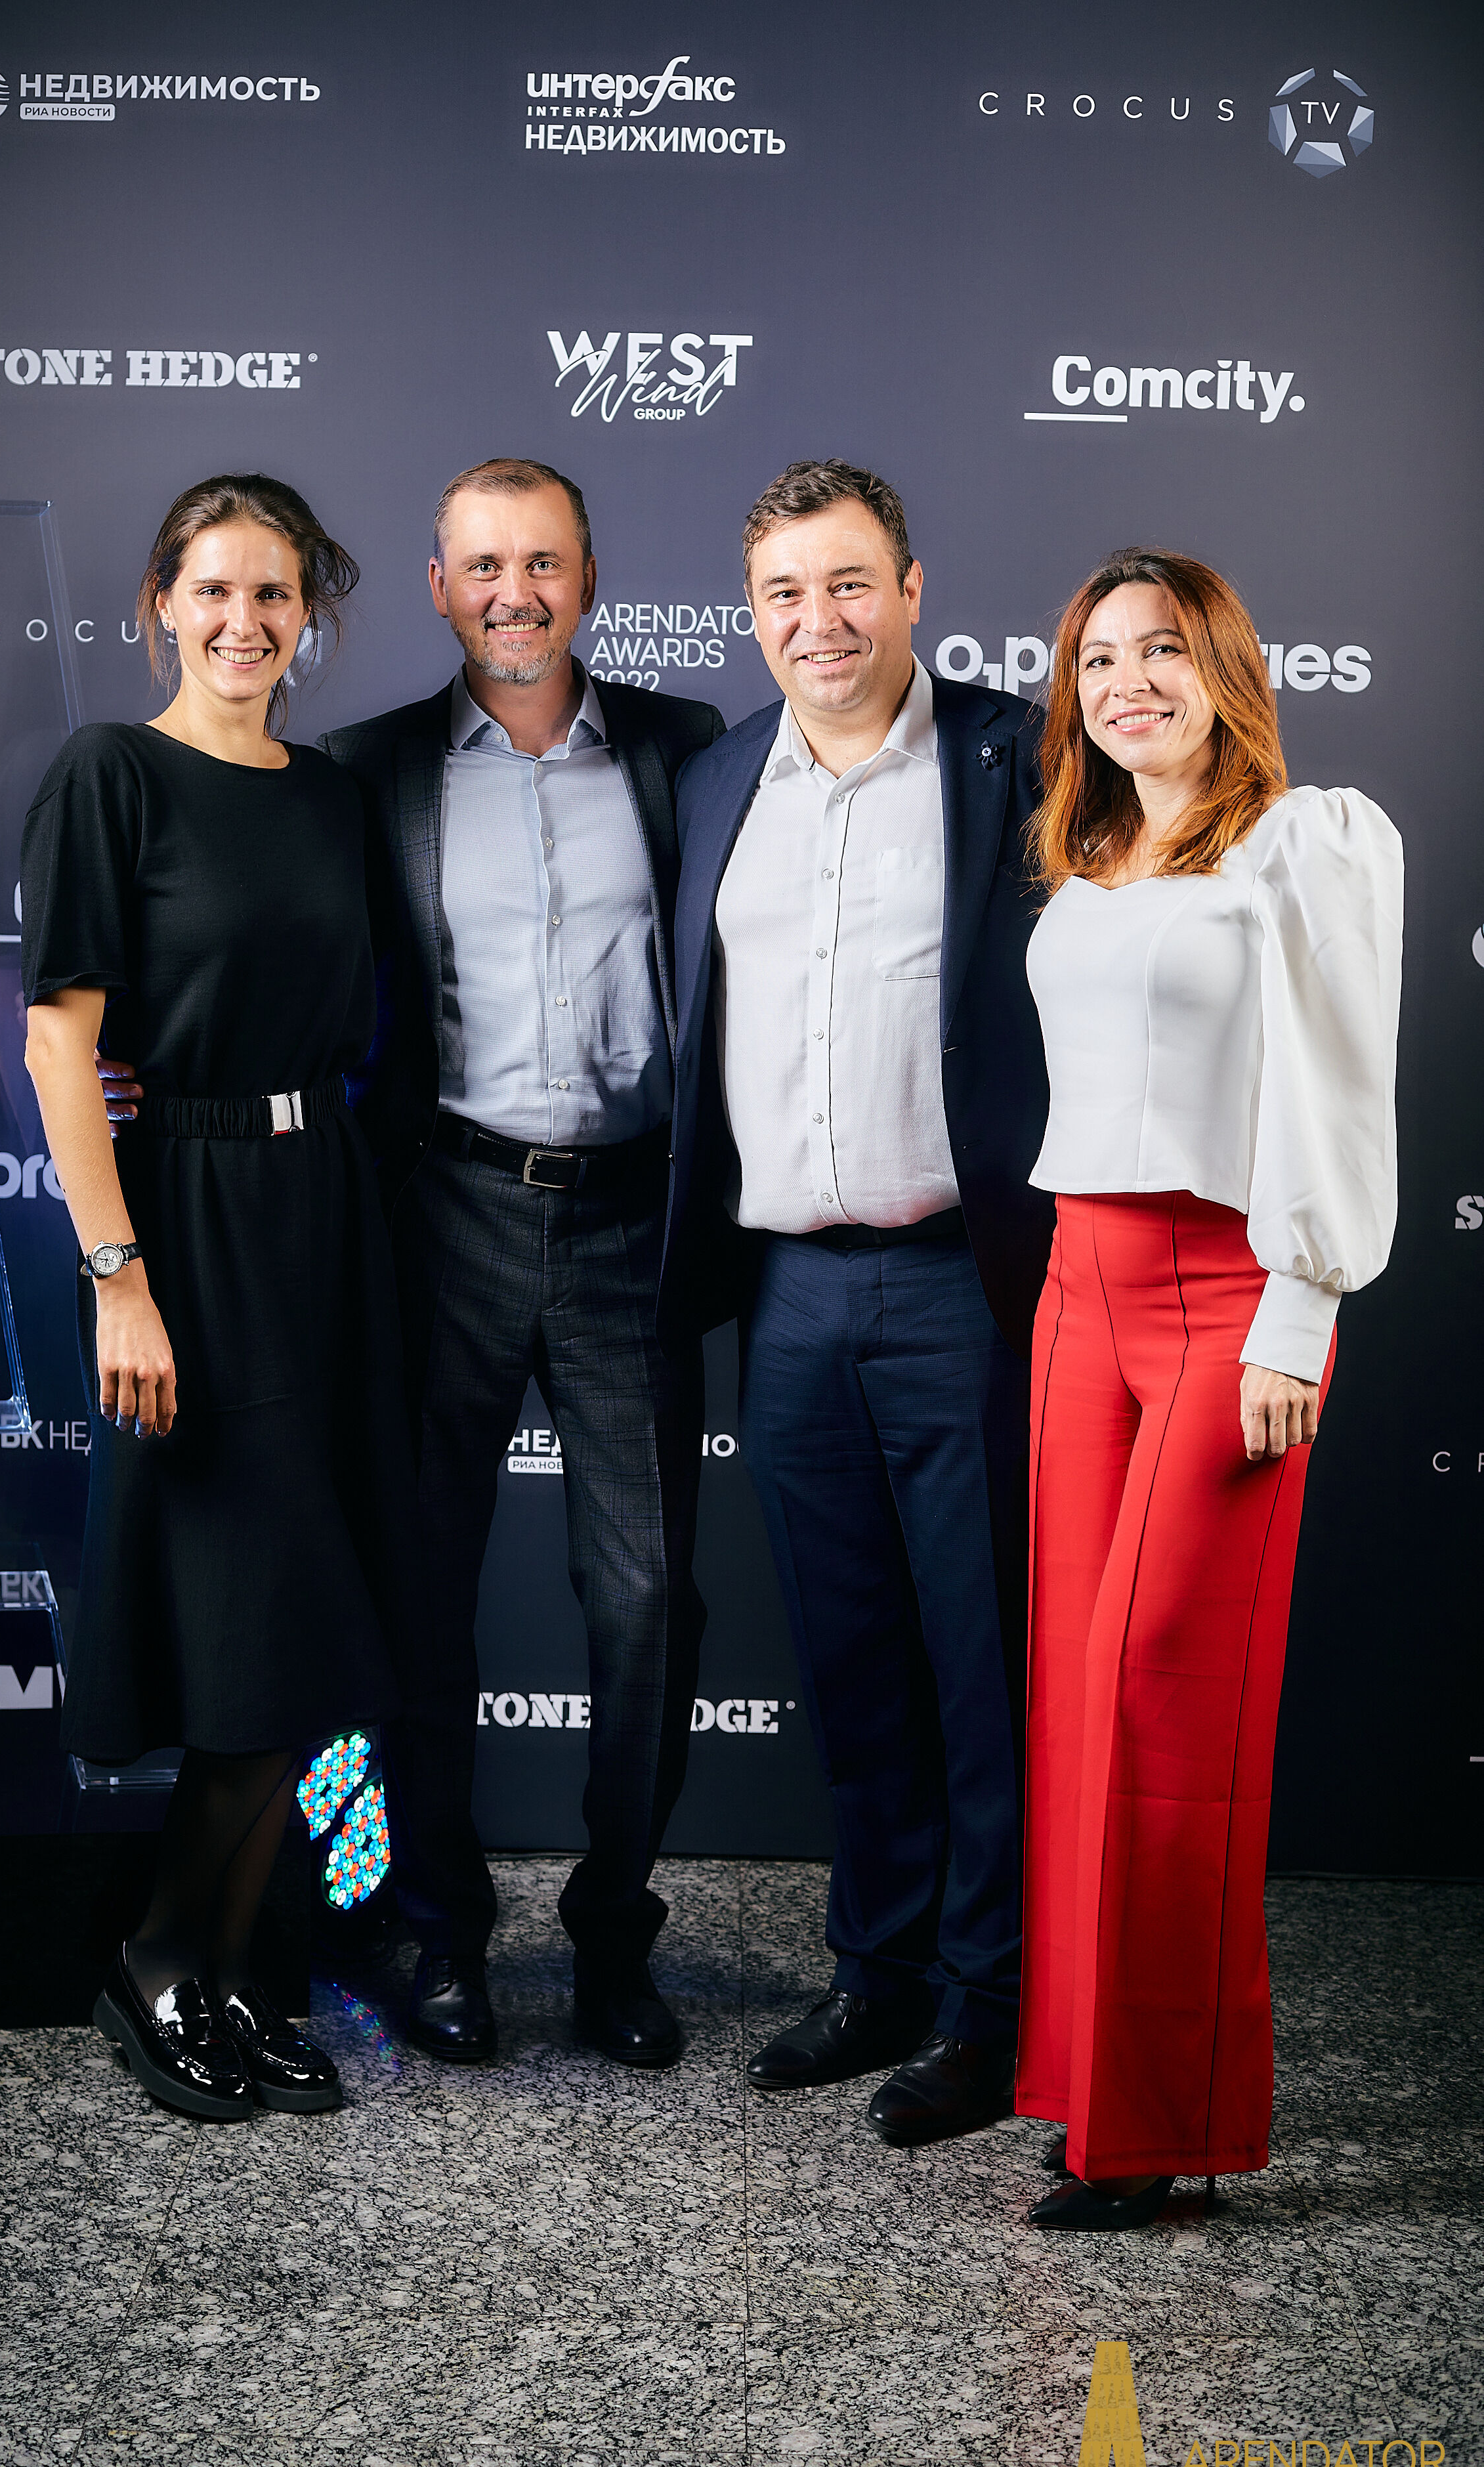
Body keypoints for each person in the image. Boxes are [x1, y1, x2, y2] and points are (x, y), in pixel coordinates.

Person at [660, 460, 1055, 2145]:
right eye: (781, 594)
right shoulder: (715, 776)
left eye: (844, 584)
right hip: (789, 1293)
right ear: (750, 614)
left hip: (963, 1280)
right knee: (849, 1656)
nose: (814, 622)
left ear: (908, 587)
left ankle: (988, 2006)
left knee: (983, 1661)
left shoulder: (1019, 753)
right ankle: (876, 1969)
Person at [317, 459, 723, 2069]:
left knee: (646, 1602)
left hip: (630, 1219)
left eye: (541, 561)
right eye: (483, 565)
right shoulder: (369, 771)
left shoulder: (688, 751)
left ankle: (615, 1934)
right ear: (438, 585)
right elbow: (282, 962)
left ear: (588, 576)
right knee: (418, 1596)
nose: (513, 592)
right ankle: (435, 1928)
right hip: (448, 1215)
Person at [22, 473, 416, 2122]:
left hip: (325, 1216)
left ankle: (241, 1968)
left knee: (313, 1633)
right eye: (212, 590)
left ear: (307, 615)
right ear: (158, 604)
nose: (243, 621)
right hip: (186, 1222)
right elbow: (60, 1042)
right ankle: (161, 1958)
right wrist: (119, 1278)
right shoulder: (109, 772)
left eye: (274, 594)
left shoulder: (328, 795)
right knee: (254, 1624)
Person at [1015, 548, 1402, 2229]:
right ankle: (1085, 2084)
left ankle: (1160, 2121)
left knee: (1163, 1708)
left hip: (1224, 1295)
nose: (1127, 683)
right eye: (1098, 659)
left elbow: (1339, 1088)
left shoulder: (1304, 842)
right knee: (1075, 1702)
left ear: (1225, 666)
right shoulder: (1088, 851)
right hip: (1075, 1290)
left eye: (1161, 649)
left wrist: (1295, 1317)